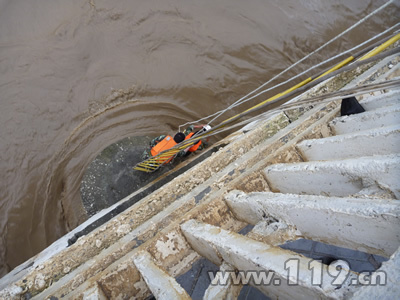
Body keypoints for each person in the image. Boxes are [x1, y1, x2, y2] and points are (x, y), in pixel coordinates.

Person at [141, 125, 210, 162]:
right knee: (179, 156)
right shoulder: (195, 147)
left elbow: (190, 127)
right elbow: (205, 145)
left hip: (147, 155)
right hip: (157, 162)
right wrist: (208, 137)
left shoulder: (165, 137)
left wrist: (200, 126)